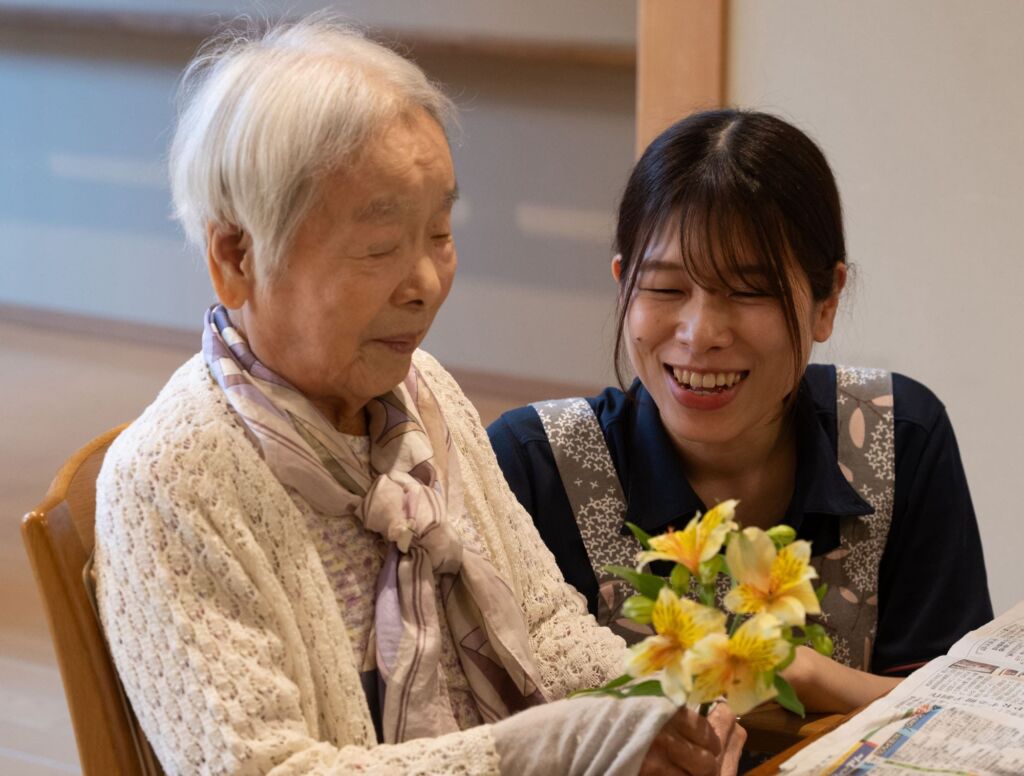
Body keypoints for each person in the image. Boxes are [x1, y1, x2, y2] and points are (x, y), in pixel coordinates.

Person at [93, 18, 744, 776]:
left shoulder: (422, 392)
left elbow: (544, 620)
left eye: (439, 233)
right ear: (236, 256)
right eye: (378, 250)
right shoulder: (171, 480)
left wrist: (648, 713)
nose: (427, 285)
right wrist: (555, 748)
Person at [488, 109, 993, 714]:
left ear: (826, 302)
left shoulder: (896, 436)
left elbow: (969, 710)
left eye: (750, 290)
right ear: (623, 286)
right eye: (667, 288)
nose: (700, 334)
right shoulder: (534, 466)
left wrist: (811, 675)